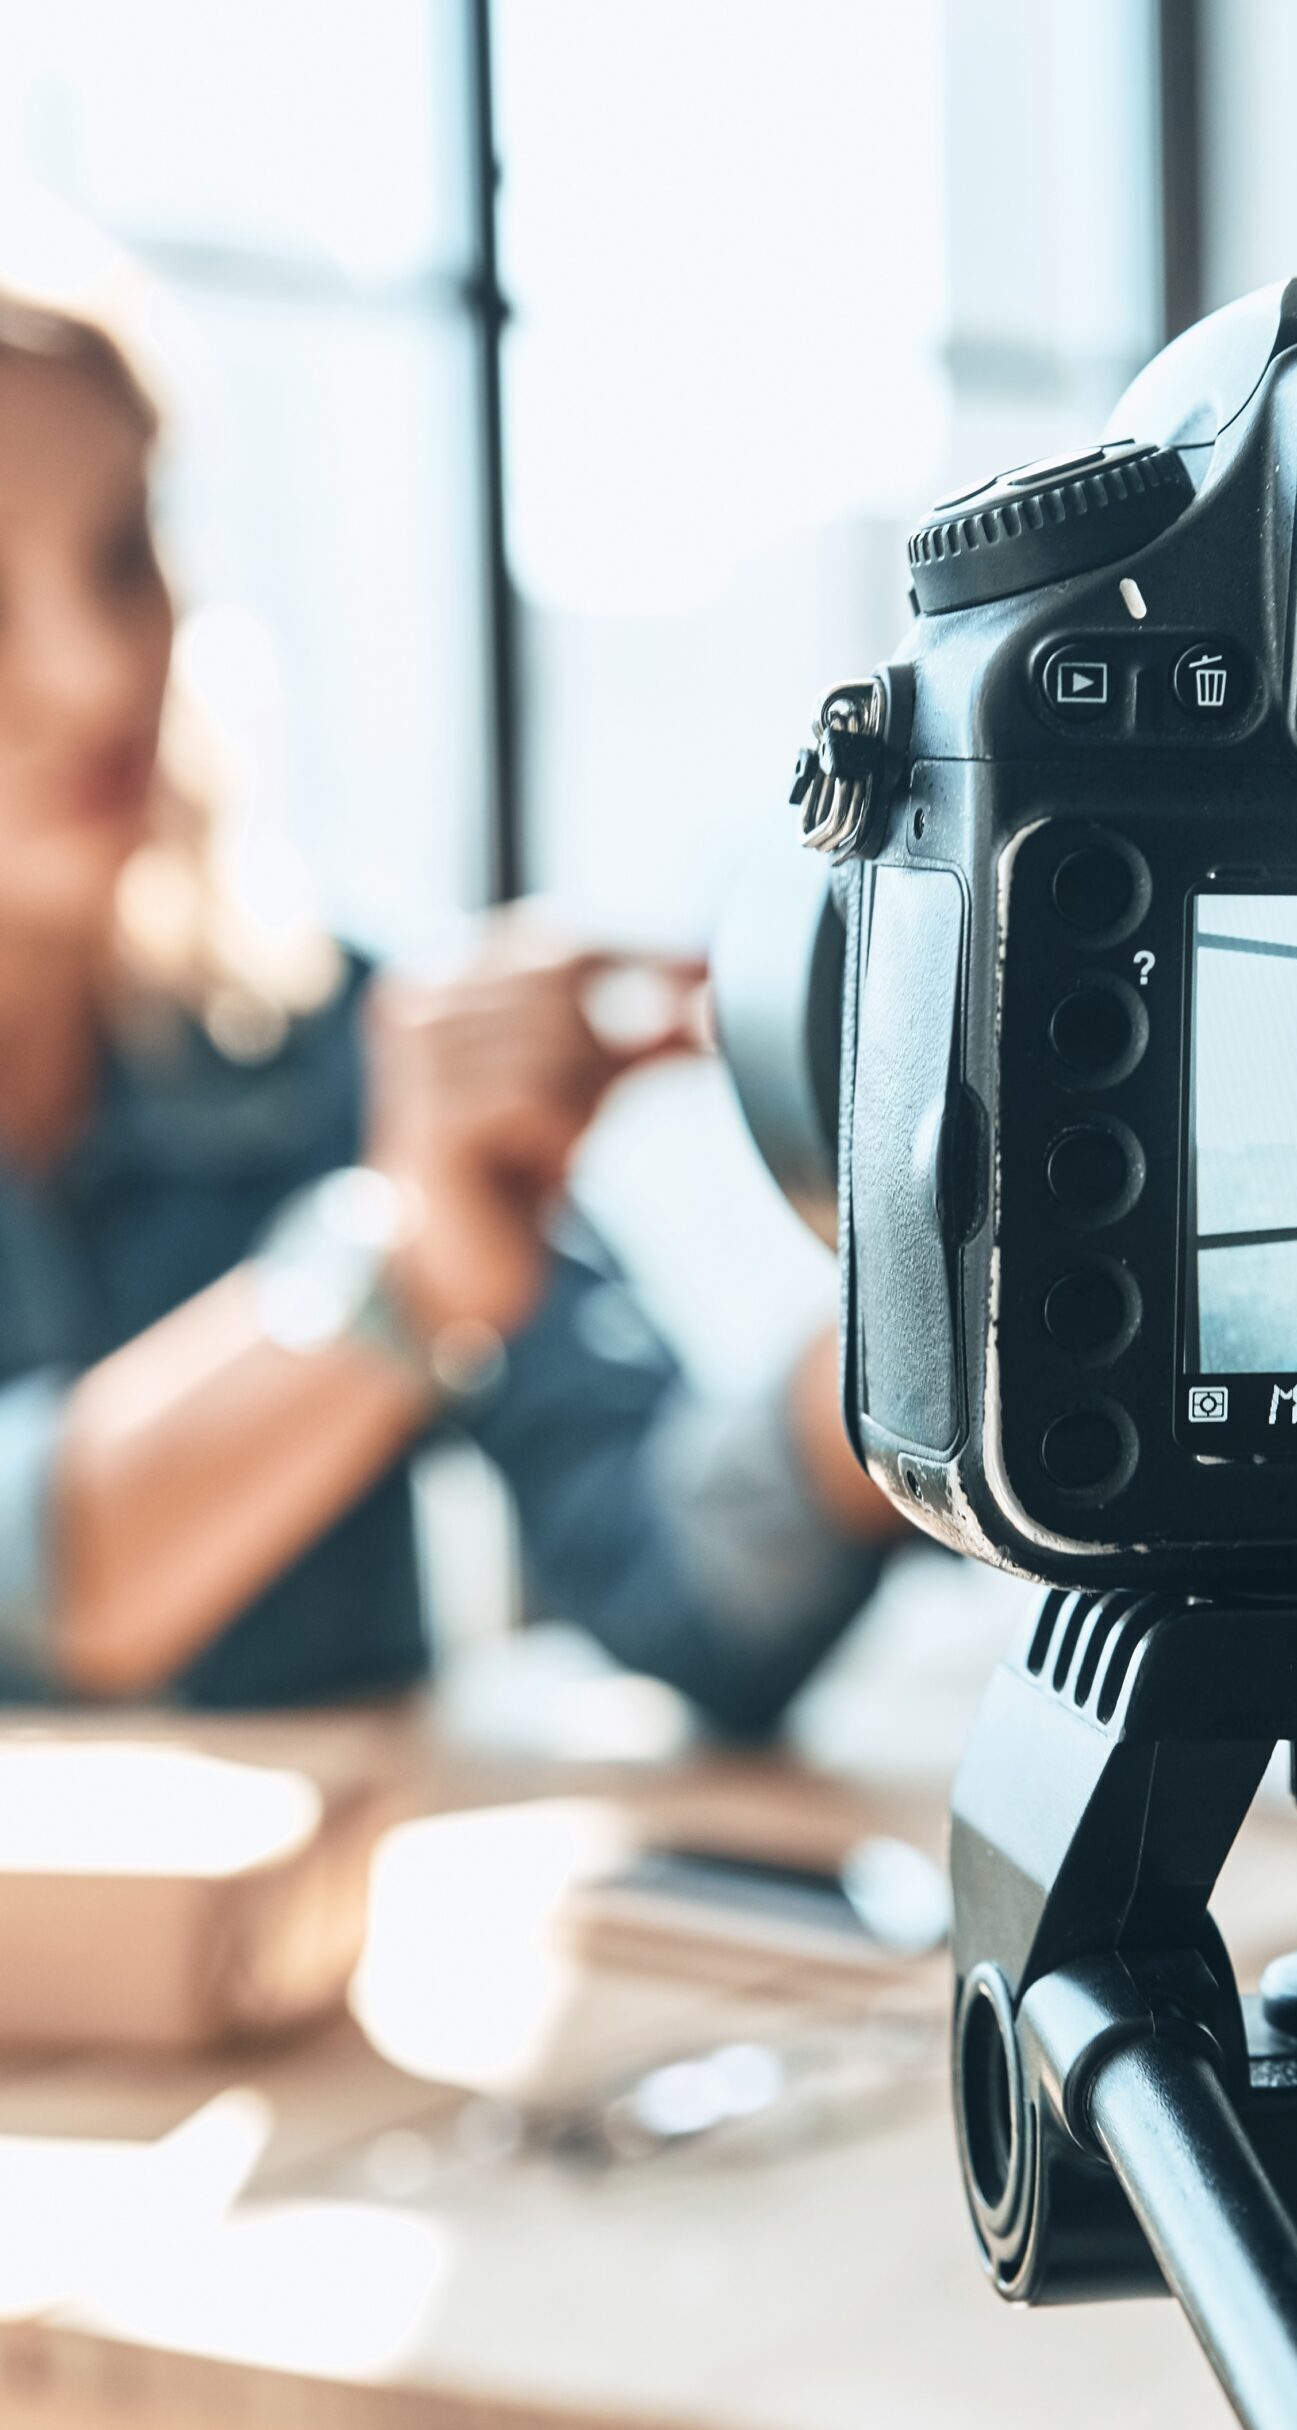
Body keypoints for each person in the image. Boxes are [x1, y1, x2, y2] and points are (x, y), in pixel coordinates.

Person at [0, 272, 899, 1725]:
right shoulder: (390, 1156)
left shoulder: (339, 1046)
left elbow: (673, 1575)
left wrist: (947, 1325)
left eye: (119, 557)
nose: (98, 671)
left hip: (307, 1951)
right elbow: (48, 1574)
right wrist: (401, 1273)